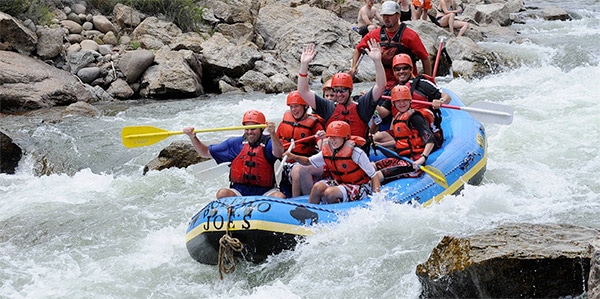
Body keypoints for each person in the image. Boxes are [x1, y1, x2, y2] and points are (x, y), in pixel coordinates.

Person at [297, 40, 386, 150]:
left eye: (343, 90)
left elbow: (381, 85)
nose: (339, 94)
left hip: (357, 157)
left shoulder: (362, 106)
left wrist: (377, 61)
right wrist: (304, 64)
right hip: (334, 157)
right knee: (298, 168)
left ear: (350, 91)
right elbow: (303, 91)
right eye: (336, 90)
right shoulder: (328, 108)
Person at [183, 109, 286, 199]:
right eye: (247, 128)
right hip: (239, 192)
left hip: (265, 192)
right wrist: (193, 138)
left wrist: (273, 133)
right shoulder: (235, 144)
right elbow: (205, 153)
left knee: (279, 197)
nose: (249, 132)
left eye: (253, 128)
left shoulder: (269, 143)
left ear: (262, 128)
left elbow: (279, 153)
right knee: (222, 193)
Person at [284, 121, 381, 204]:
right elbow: (307, 161)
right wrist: (294, 157)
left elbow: (373, 175)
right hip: (339, 182)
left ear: (345, 138)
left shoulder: (356, 153)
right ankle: (309, 212)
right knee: (317, 187)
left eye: (336, 137)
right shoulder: (328, 150)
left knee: (329, 193)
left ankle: (334, 213)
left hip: (359, 186)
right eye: (330, 137)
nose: (332, 140)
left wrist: (376, 199)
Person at [350, 0, 432, 90]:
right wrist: (354, 67)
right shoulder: (374, 35)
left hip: (408, 84)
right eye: (384, 15)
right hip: (384, 84)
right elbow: (358, 50)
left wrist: (428, 82)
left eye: (389, 15)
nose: (386, 18)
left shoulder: (411, 36)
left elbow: (425, 59)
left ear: (398, 15)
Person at [372, 53, 449, 147]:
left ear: (411, 69)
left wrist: (441, 101)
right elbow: (383, 113)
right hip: (403, 131)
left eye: (405, 68)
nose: (401, 71)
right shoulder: (395, 90)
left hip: (422, 131)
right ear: (394, 72)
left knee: (386, 143)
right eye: (397, 69)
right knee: (377, 137)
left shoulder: (422, 84)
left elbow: (446, 97)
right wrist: (371, 100)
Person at [373, 85, 436, 184]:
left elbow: (430, 139)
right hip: (402, 158)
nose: (401, 103)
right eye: (398, 101)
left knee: (376, 175)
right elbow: (399, 141)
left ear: (410, 101)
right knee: (371, 166)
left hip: (414, 163)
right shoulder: (398, 117)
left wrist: (422, 158)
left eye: (404, 100)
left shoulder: (415, 117)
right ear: (393, 103)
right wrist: (379, 145)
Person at [276, 91, 325, 197]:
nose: (294, 110)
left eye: (296, 106)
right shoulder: (284, 122)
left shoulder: (314, 124)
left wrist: (323, 138)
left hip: (306, 162)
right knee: (294, 169)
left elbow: (322, 148)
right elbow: (276, 143)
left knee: (297, 169)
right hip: (287, 164)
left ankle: (296, 201)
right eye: (291, 107)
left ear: (306, 106)